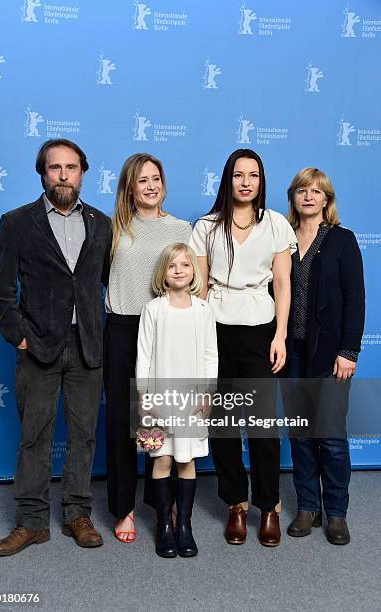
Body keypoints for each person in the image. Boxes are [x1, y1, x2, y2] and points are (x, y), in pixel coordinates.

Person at [0, 139, 111, 555]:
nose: (63, 175)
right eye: (55, 167)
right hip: (38, 346)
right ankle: (32, 521)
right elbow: (1, 288)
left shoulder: (102, 223)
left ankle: (78, 513)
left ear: (82, 172)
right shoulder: (17, 222)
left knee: (83, 434)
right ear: (43, 173)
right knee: (34, 436)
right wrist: (19, 335)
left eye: (71, 167)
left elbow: (110, 284)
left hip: (88, 346)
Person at [190, 148, 296, 546]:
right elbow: (199, 288)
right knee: (223, 426)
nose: (246, 182)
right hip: (216, 328)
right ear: (228, 179)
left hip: (259, 328)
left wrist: (280, 335)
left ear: (261, 180)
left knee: (264, 425)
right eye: (238, 175)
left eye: (253, 175)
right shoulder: (205, 226)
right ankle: (236, 503)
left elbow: (282, 284)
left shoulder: (276, 224)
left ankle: (268, 506)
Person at [104, 153, 191, 542]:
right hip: (124, 326)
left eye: (156, 178)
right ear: (129, 187)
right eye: (142, 180)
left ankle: (163, 501)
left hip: (168, 325)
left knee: (168, 416)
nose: (151, 186)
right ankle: (123, 507)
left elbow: (193, 282)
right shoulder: (114, 229)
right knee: (125, 419)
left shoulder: (181, 229)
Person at [283, 167, 365, 545]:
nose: (309, 196)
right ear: (294, 197)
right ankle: (307, 507)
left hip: (331, 354)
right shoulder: (281, 239)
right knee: (300, 435)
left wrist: (349, 351)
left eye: (318, 191)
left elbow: (355, 300)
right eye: (303, 190)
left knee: (330, 436)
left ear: (327, 200)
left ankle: (336, 513)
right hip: (292, 353)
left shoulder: (343, 241)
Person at [136, 243, 218, 557]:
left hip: (191, 400)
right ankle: (163, 525)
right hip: (157, 399)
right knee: (162, 459)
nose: (180, 270)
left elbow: (211, 355)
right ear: (164, 274)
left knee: (186, 460)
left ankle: (184, 525)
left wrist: (208, 393)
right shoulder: (153, 310)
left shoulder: (203, 310)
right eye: (173, 266)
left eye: (185, 265)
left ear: (193, 271)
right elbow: (143, 357)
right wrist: (143, 397)